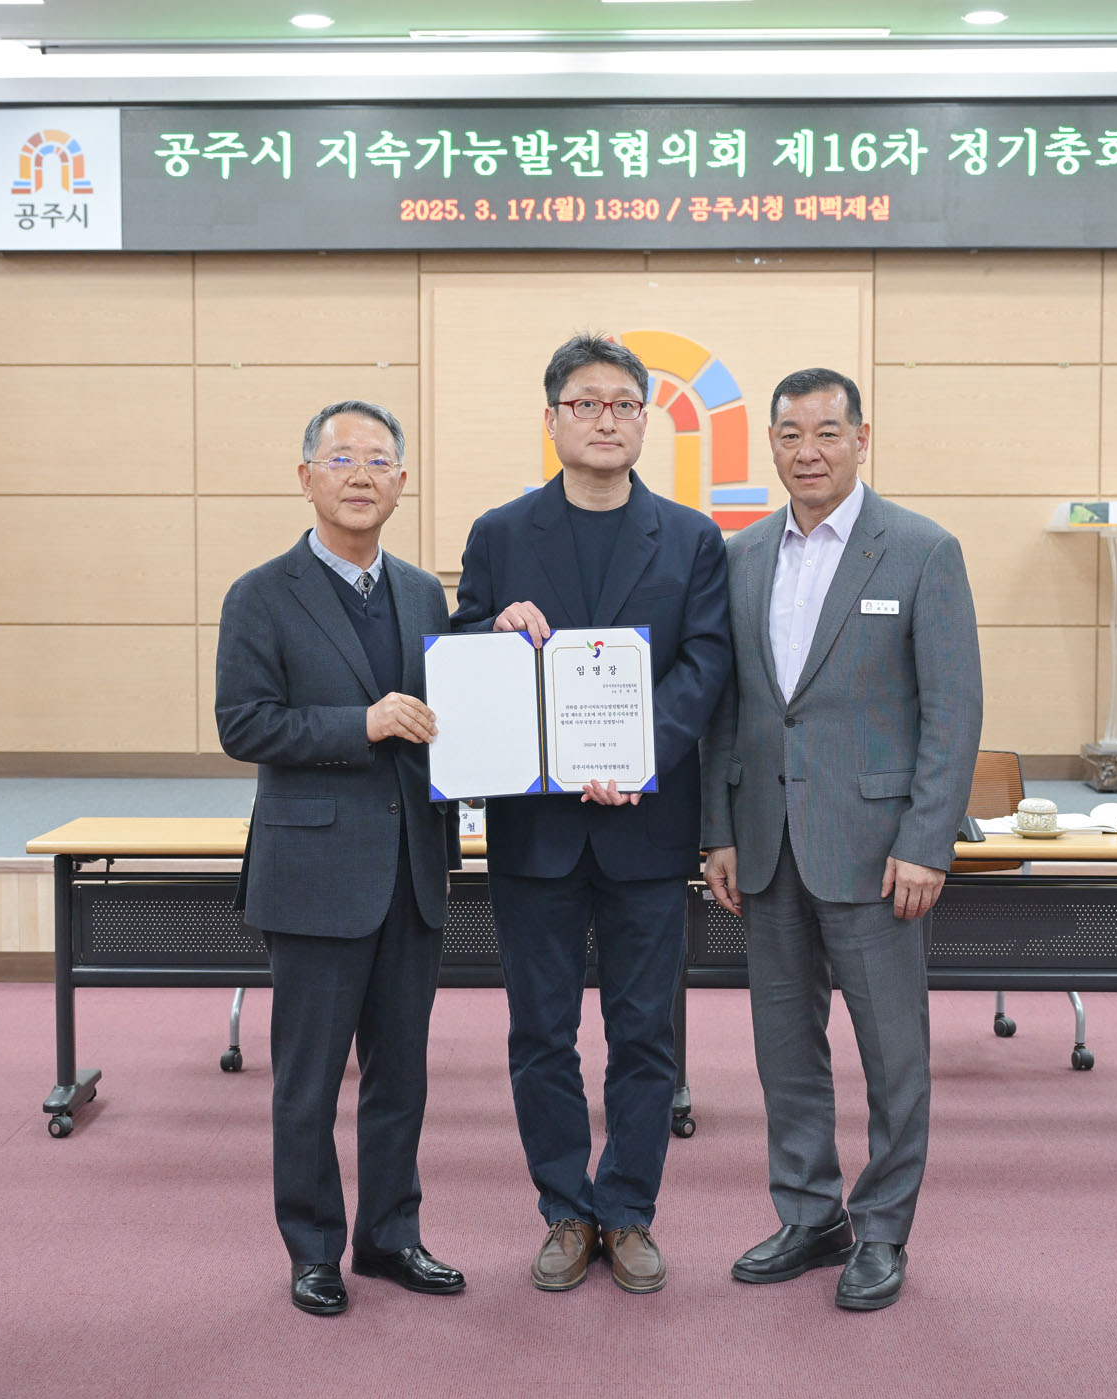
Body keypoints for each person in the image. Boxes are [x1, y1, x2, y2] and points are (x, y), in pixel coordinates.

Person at [452, 333, 732, 1295]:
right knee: (541, 1034)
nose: (605, 419)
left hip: (644, 827)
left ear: (644, 420)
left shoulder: (691, 538)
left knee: (645, 1035)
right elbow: (464, 652)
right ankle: (565, 1210)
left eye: (623, 404)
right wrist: (494, 633)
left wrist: (635, 752)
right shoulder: (499, 534)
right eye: (585, 403)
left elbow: (705, 663)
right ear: (551, 419)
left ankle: (629, 1209)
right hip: (535, 832)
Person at [700, 367, 982, 1313]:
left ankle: (884, 1228)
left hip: (878, 852)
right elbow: (727, 709)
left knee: (893, 1054)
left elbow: (952, 711)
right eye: (790, 434)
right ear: (771, 446)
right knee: (784, 1047)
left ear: (863, 440)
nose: (808, 451)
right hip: (766, 844)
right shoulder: (741, 556)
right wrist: (718, 830)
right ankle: (810, 1214)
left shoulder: (921, 551)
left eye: (827, 432)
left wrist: (928, 841)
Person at [215, 399, 464, 1317]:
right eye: (342, 458)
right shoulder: (260, 594)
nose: (362, 475)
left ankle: (390, 1236)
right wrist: (359, 724)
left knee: (402, 1078)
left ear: (402, 481)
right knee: (309, 1083)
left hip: (411, 871)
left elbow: (447, 719)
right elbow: (243, 724)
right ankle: (313, 1248)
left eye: (380, 460)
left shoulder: (424, 594)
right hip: (315, 875)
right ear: (306, 477)